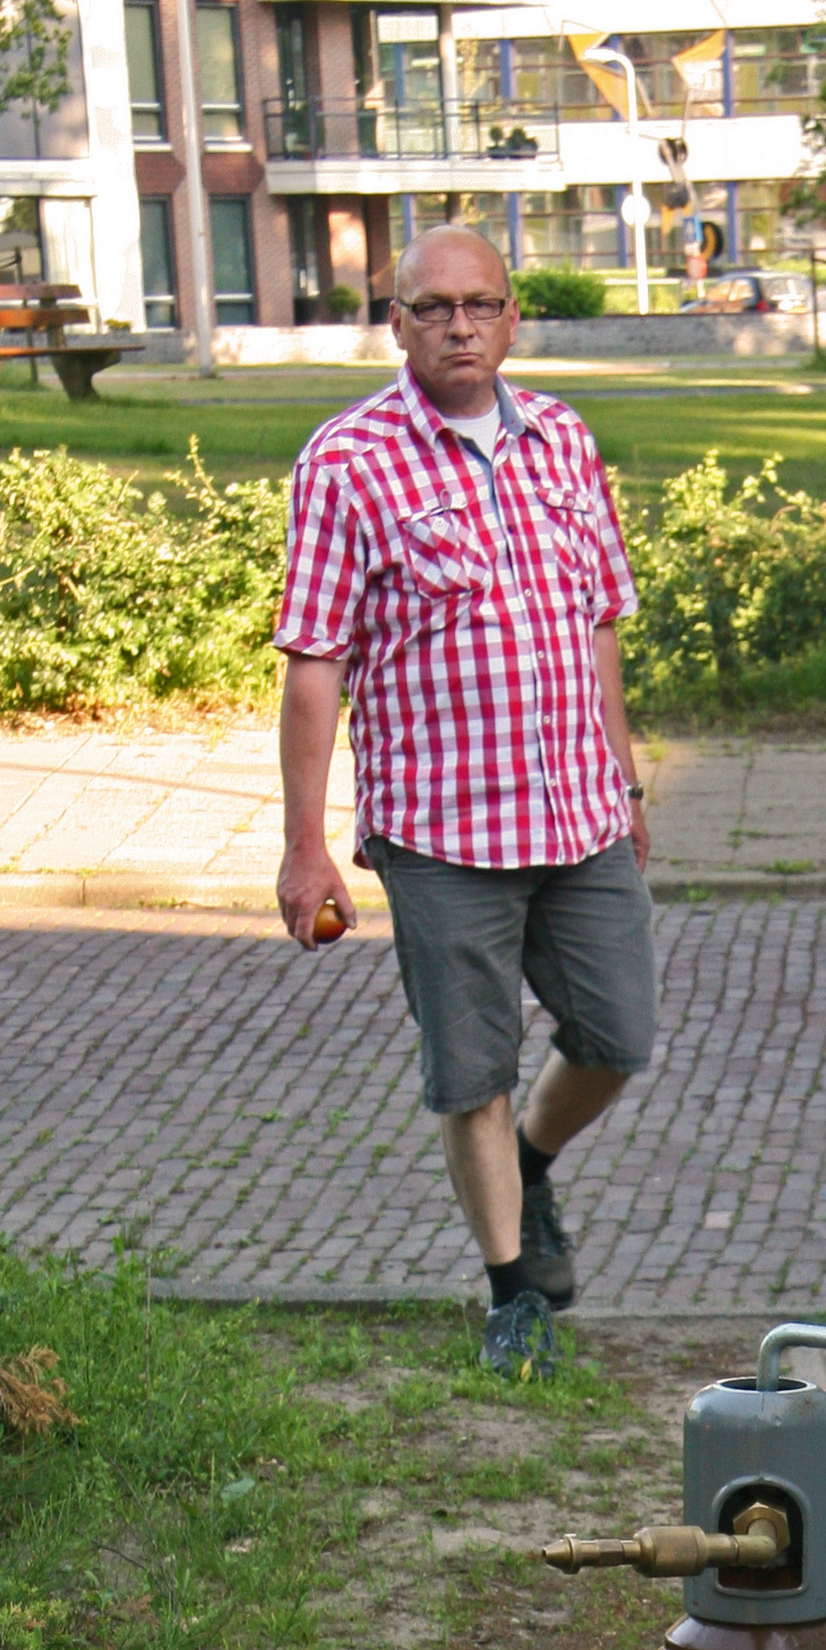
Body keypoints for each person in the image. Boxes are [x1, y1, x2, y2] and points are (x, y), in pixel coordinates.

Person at [274, 226, 654, 1379]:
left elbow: (598, 621)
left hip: (579, 813)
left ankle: (529, 1166)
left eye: (479, 304)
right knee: (472, 1072)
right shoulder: (348, 461)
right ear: (397, 322)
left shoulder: (562, 440)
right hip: (441, 832)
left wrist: (625, 774)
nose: (458, 326)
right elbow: (314, 663)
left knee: (618, 1033)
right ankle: (511, 1292)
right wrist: (303, 845)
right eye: (432, 307)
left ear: (510, 316)